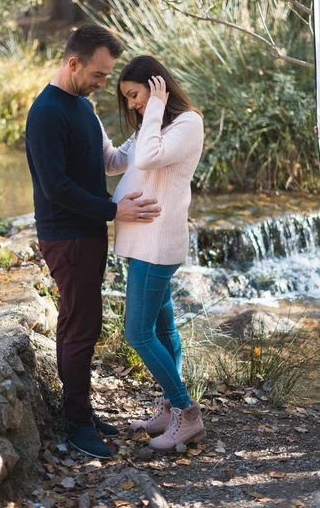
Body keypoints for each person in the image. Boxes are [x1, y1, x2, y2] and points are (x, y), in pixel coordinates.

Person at [25, 26, 162, 459]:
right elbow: (55, 188)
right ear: (73, 63)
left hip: (85, 233)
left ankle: (77, 409)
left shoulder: (83, 106)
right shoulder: (47, 112)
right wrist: (113, 211)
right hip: (67, 236)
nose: (105, 84)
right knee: (83, 328)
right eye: (100, 75)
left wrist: (151, 121)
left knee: (74, 323)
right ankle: (78, 424)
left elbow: (110, 161)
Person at [99, 55, 206, 452]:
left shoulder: (186, 123)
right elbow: (115, 164)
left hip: (158, 246)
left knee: (138, 334)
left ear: (157, 86)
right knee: (163, 329)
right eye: (127, 98)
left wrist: (156, 107)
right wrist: (89, 120)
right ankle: (169, 407)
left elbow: (146, 158)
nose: (133, 105)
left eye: (135, 94)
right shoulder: (151, 125)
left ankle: (186, 412)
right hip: (142, 244)